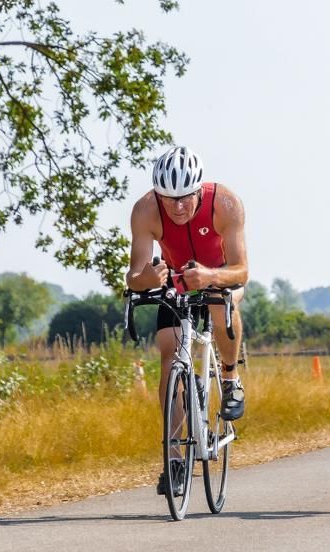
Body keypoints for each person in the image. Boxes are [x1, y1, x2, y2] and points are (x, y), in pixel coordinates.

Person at [126, 146, 249, 496]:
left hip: (220, 276)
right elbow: (133, 276)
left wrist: (211, 276)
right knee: (169, 357)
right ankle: (175, 460)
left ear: (198, 190)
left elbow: (242, 269)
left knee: (219, 308)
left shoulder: (225, 203)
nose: (177, 207)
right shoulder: (145, 210)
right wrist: (147, 278)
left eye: (184, 198)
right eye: (168, 199)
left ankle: (230, 378)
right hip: (176, 282)